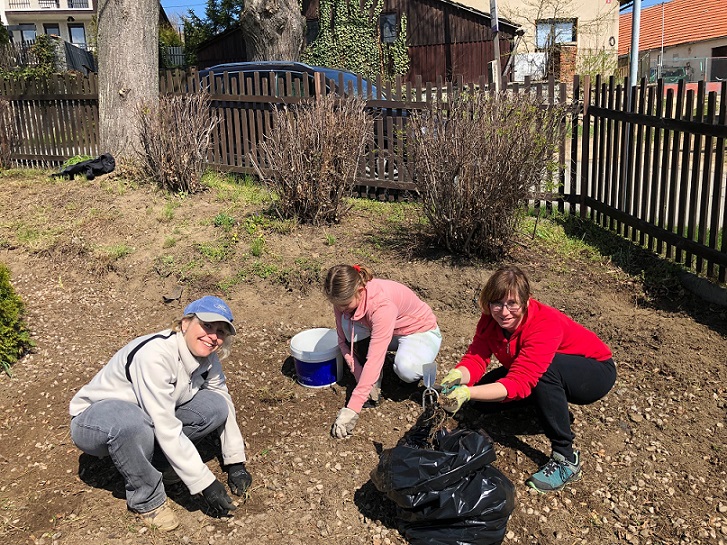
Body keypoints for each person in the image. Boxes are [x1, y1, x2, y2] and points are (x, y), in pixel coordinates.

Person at [69, 296, 252, 531]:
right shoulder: (155, 355)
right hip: (96, 422)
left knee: (216, 405)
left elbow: (223, 399)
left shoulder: (208, 358)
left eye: (221, 331)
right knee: (130, 421)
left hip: (146, 419)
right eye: (207, 325)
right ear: (185, 323)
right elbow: (165, 424)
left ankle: (158, 464)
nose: (213, 336)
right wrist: (204, 483)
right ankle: (147, 500)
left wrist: (234, 461)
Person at [440, 265, 616, 493]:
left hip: (593, 373)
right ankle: (543, 402)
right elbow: (476, 357)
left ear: (525, 301)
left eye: (511, 303)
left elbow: (519, 382)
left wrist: (467, 391)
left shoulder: (544, 323)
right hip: (537, 367)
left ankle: (566, 458)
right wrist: (458, 376)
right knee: (481, 402)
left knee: (543, 373)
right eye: (497, 303)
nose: (503, 312)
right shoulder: (489, 321)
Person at [323, 264, 442, 439]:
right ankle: (373, 382)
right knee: (351, 328)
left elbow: (375, 357)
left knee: (406, 370)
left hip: (418, 330)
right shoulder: (342, 300)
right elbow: (343, 342)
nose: (341, 310)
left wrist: (353, 407)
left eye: (346, 305)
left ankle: (421, 361)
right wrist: (359, 376)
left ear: (360, 291)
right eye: (337, 305)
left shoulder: (381, 306)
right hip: (388, 330)